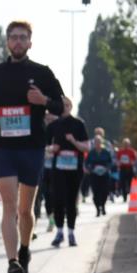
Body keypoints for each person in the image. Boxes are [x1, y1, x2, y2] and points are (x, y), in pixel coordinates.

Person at [0, 20, 63, 273]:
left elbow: (61, 106)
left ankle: (25, 249)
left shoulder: (43, 73)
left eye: (22, 37)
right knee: (9, 207)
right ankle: (13, 262)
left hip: (31, 147)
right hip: (3, 146)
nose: (17, 41)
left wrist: (45, 102)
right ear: (7, 42)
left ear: (30, 42)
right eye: (13, 37)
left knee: (25, 210)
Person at [47, 97, 90, 247]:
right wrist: (52, 149)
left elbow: (86, 147)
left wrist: (73, 141)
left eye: (67, 105)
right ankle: (59, 233)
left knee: (71, 201)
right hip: (58, 168)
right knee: (58, 200)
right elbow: (43, 148)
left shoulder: (78, 124)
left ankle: (71, 233)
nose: (64, 107)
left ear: (71, 107)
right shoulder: (53, 125)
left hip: (75, 168)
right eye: (62, 105)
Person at [35, 112, 59, 232]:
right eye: (46, 119)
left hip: (57, 168)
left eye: (51, 118)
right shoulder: (40, 131)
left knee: (53, 194)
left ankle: (55, 216)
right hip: (42, 168)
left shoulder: (59, 130)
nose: (48, 121)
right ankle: (49, 218)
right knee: (44, 195)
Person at [85, 135, 114, 216]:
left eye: (99, 142)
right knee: (96, 192)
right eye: (96, 142)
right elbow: (87, 163)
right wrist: (89, 169)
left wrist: (107, 168)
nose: (97, 143)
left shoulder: (106, 152)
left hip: (105, 174)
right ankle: (97, 209)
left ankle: (103, 206)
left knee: (105, 192)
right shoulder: (91, 153)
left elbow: (111, 162)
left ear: (101, 143)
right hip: (94, 175)